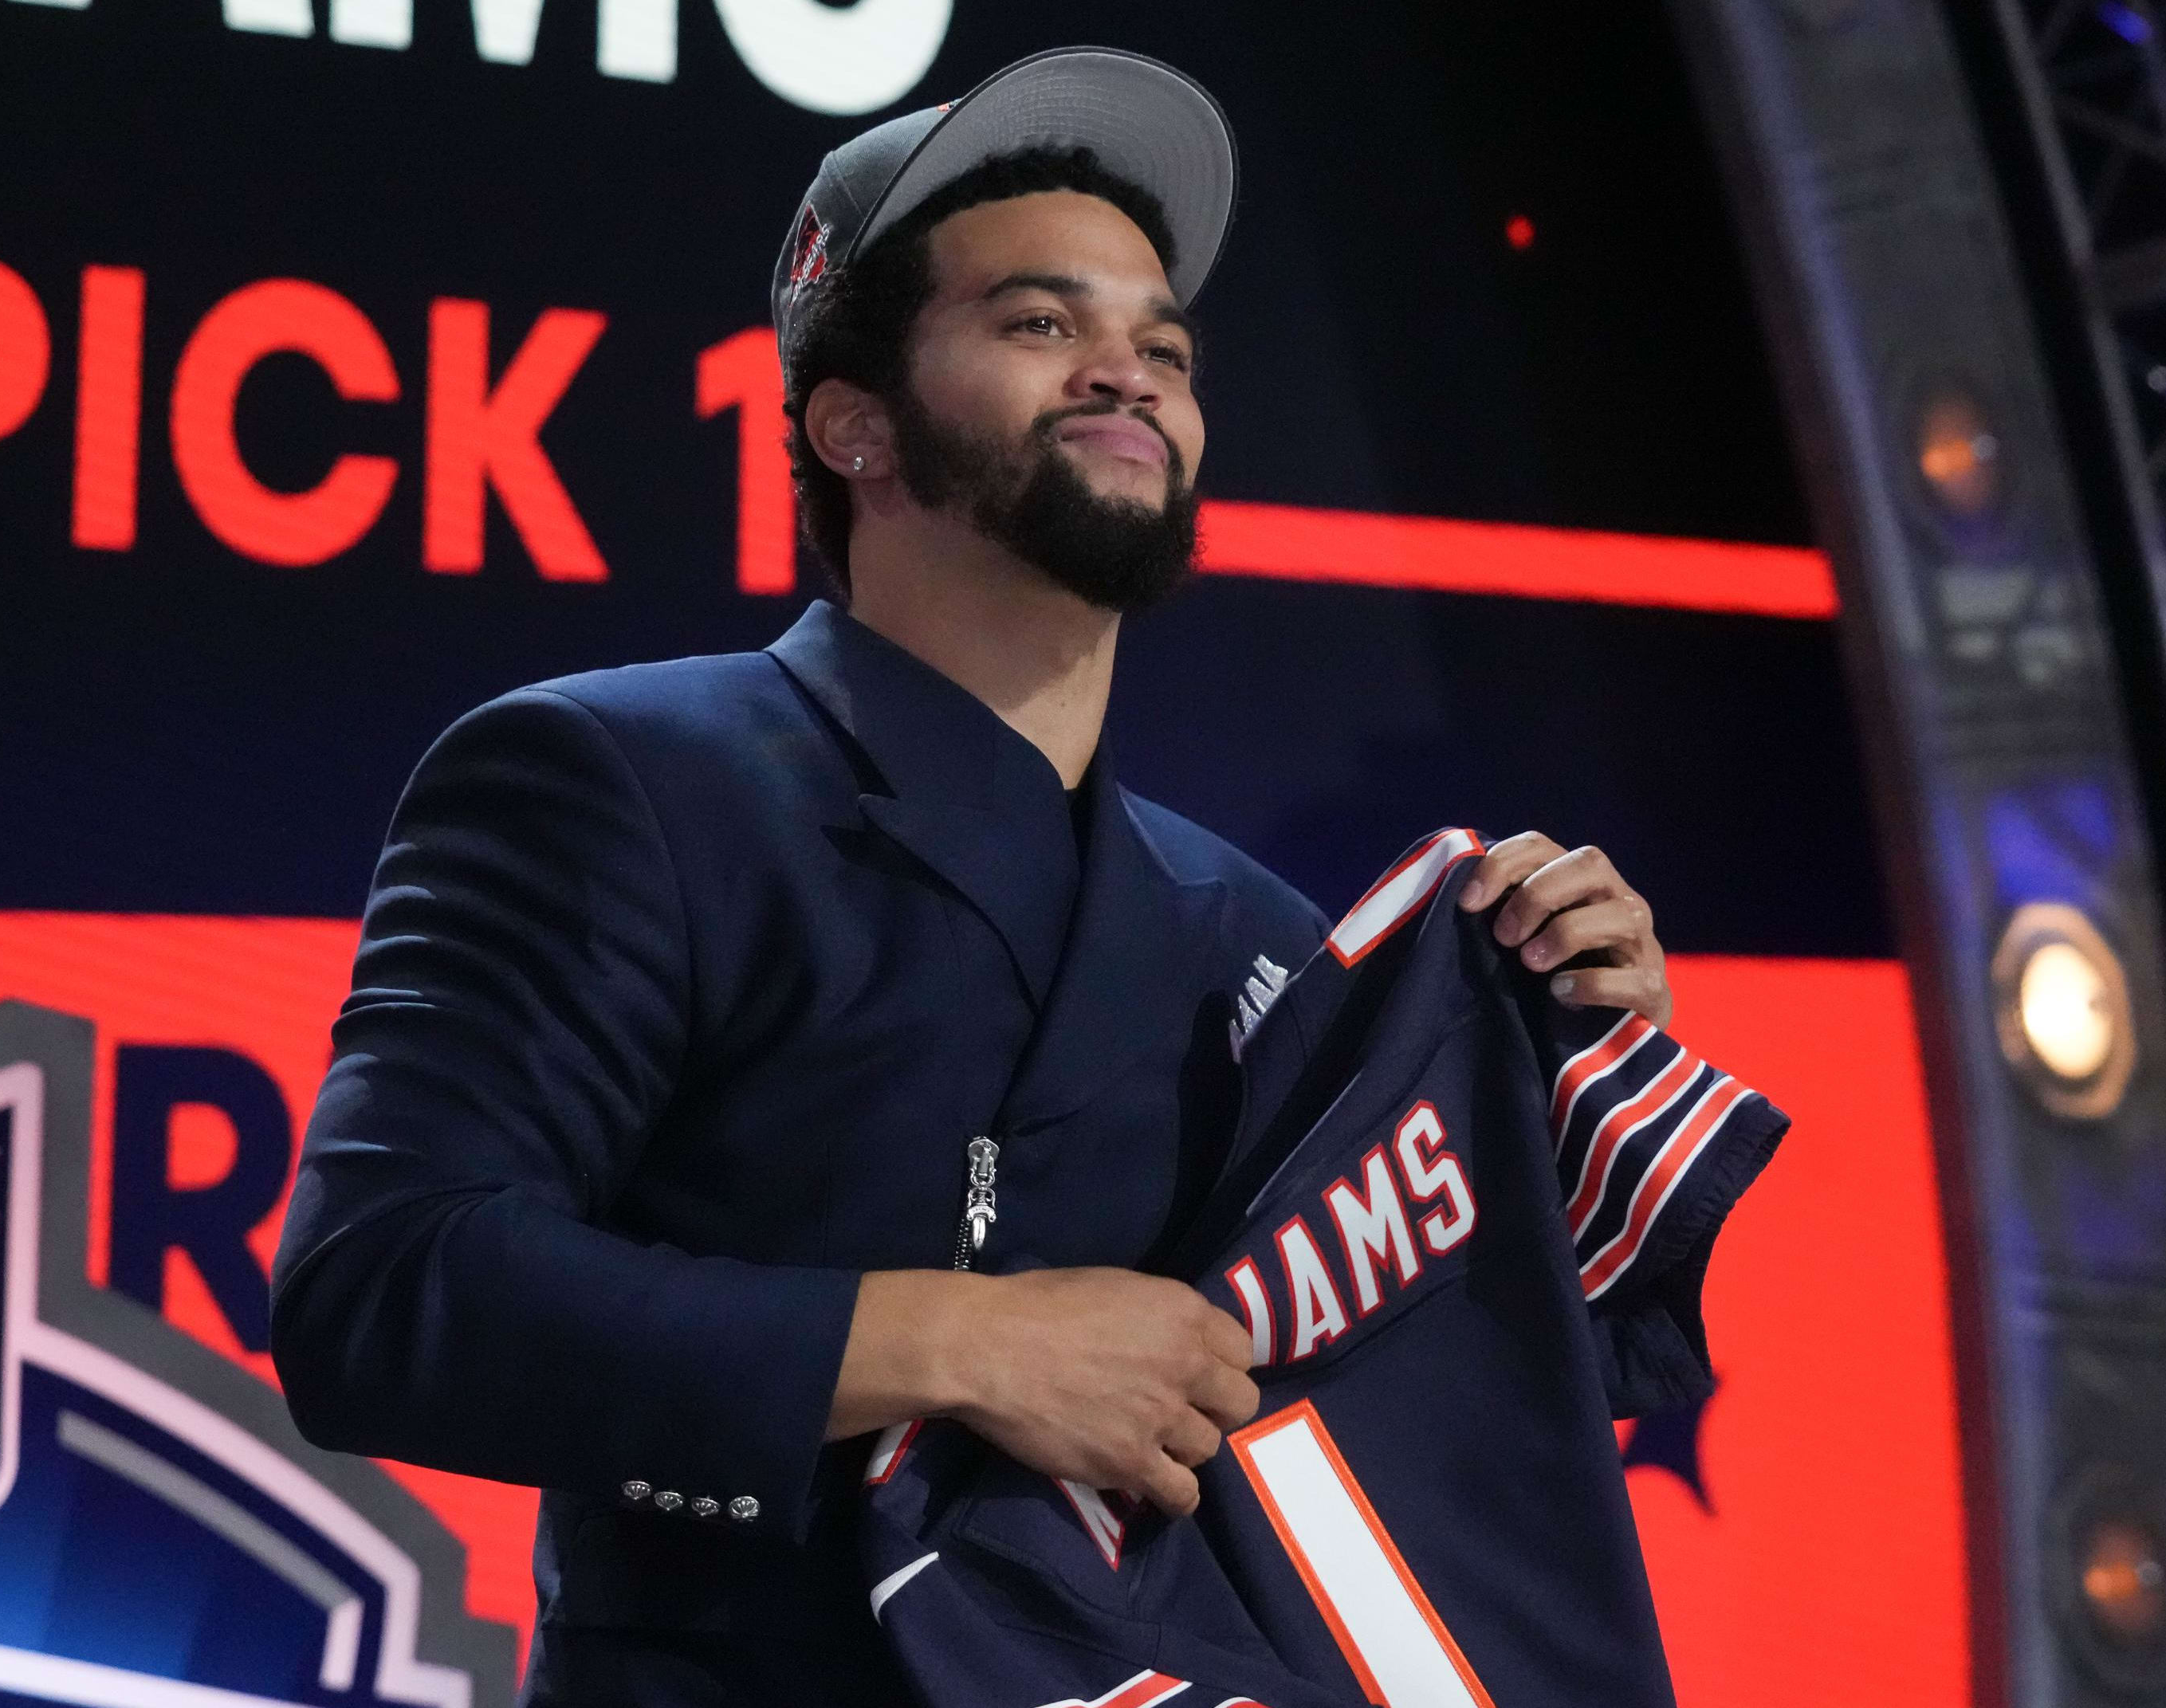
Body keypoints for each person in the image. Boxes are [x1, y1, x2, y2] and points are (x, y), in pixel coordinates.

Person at [269, 46, 1673, 1706]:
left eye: (1164, 345)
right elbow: (383, 1291)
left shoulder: (1262, 939)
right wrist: (964, 1342)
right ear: (850, 422)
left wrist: (1562, 1086)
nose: (1126, 373)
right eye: (1039, 324)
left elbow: (1423, 1427)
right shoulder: (614, 777)